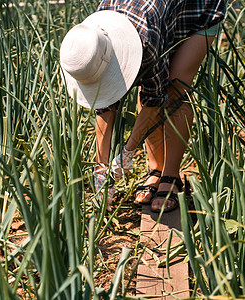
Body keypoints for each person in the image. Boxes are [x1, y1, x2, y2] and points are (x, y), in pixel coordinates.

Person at [60, 0, 227, 212]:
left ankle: (171, 176)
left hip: (196, 9)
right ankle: (155, 170)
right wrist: (101, 174)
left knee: (175, 87)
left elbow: (155, 100)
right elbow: (104, 108)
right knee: (148, 82)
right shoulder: (92, 39)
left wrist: (127, 153)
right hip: (160, 16)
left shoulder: (146, 40)